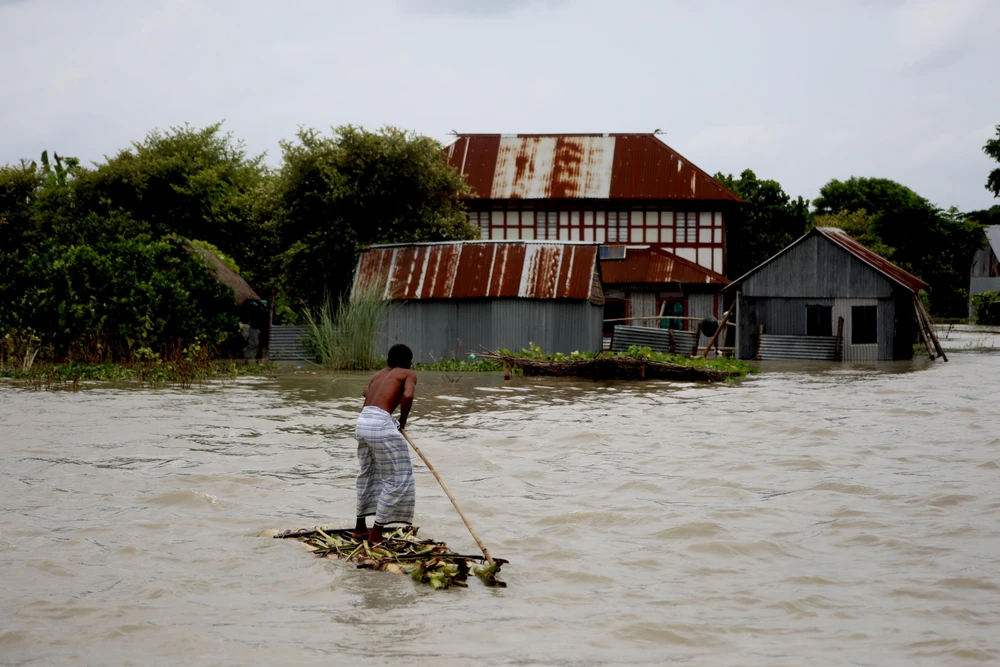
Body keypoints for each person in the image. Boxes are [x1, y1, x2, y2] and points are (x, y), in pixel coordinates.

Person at [352, 344, 418, 544]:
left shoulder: (377, 375)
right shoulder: (408, 374)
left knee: (367, 473)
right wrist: (403, 420)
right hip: (380, 423)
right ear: (409, 363)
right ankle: (376, 534)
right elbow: (407, 395)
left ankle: (360, 528)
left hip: (362, 422)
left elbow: (368, 393)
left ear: (388, 362)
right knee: (398, 478)